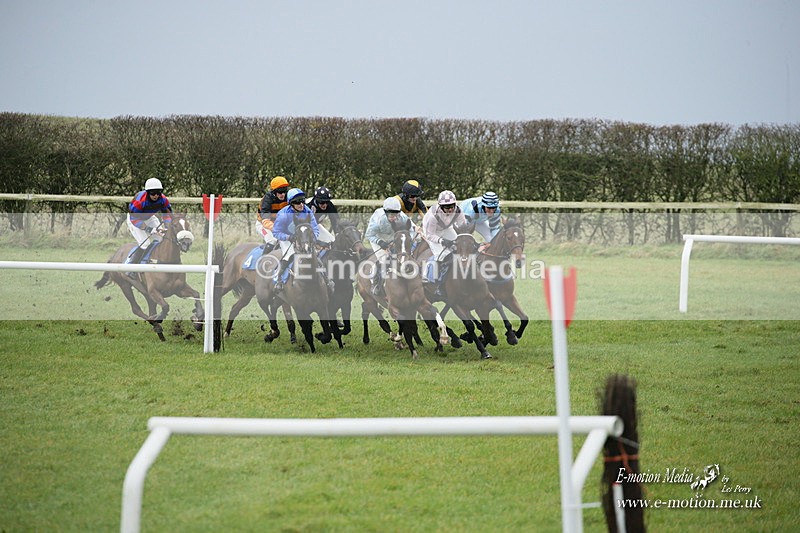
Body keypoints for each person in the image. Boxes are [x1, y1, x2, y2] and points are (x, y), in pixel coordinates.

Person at [271, 188, 333, 293]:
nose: (301, 204)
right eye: (297, 202)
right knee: (289, 255)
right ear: (291, 204)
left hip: (303, 238)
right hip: (287, 238)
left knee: (315, 255)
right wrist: (288, 238)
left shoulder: (307, 211)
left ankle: (327, 280)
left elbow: (315, 228)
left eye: (302, 201)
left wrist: (313, 238)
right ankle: (279, 280)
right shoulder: (283, 214)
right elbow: (276, 232)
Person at [365, 197, 415, 296]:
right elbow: (369, 235)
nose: (394, 217)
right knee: (384, 259)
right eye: (391, 215)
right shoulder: (379, 220)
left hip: (393, 236)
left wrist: (409, 239)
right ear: (386, 212)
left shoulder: (402, 217)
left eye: (396, 214)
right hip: (377, 236)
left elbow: (412, 230)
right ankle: (375, 283)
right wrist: (380, 242)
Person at [422, 190, 468, 296]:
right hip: (432, 232)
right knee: (442, 255)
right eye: (447, 207)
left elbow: (463, 227)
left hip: (447, 228)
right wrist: (441, 241)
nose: (450, 209)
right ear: (441, 207)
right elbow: (430, 235)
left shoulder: (458, 211)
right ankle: (439, 284)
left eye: (452, 206)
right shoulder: (432, 216)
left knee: (460, 248)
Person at [126, 178, 173, 275]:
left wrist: (167, 226)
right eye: (153, 193)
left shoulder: (163, 199)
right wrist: (149, 229)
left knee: (161, 239)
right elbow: (134, 219)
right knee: (145, 243)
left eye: (158, 193)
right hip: (135, 219)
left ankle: (153, 260)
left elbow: (167, 214)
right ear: (147, 193)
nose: (156, 195)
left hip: (149, 218)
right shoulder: (139, 201)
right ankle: (132, 267)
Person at [256, 176, 290, 251]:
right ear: (274, 191)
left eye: (284, 191)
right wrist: (278, 229)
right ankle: (263, 260)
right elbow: (265, 221)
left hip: (279, 224)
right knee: (272, 241)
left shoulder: (288, 197)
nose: (283, 194)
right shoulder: (267, 199)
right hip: (263, 224)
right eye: (280, 192)